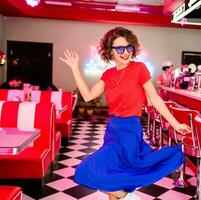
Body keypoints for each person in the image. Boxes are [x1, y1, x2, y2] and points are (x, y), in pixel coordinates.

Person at [59, 27, 191, 200]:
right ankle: (124, 196)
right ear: (110, 52)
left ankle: (124, 196)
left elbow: (156, 100)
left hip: (130, 130)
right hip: (112, 130)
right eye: (119, 48)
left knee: (111, 176)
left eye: (128, 47)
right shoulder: (108, 74)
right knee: (94, 172)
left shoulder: (139, 69)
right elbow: (88, 95)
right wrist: (75, 67)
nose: (125, 52)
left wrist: (176, 124)